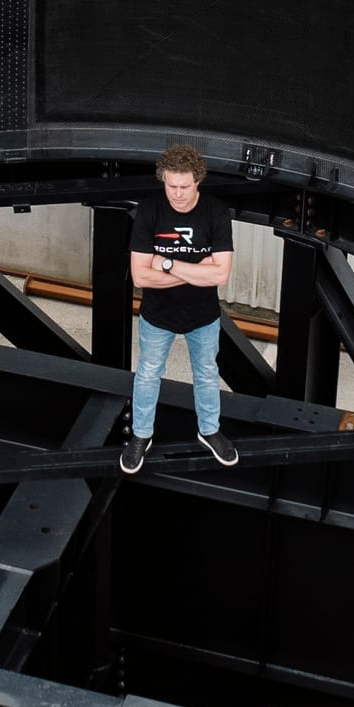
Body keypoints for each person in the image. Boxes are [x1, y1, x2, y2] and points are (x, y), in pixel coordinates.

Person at [122, 145, 238, 474]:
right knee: (147, 374)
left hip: (203, 317)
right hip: (157, 316)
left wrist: (168, 264)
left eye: (184, 187)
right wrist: (194, 269)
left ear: (197, 181)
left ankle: (210, 431)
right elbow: (141, 275)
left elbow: (221, 274)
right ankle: (141, 436)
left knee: (206, 374)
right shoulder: (149, 210)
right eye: (171, 186)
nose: (177, 194)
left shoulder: (215, 212)